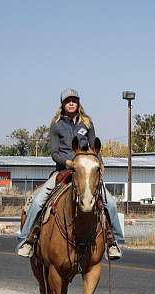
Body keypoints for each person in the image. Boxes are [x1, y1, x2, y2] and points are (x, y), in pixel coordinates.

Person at [17, 88, 124, 259]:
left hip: (85, 171)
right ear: (63, 104)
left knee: (110, 203)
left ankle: (114, 242)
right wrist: (67, 162)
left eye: (74, 100)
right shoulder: (56, 124)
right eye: (68, 101)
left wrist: (100, 163)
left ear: (78, 102)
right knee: (37, 202)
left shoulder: (87, 122)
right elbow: (54, 152)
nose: (71, 103)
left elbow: (95, 148)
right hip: (63, 170)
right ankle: (27, 240)